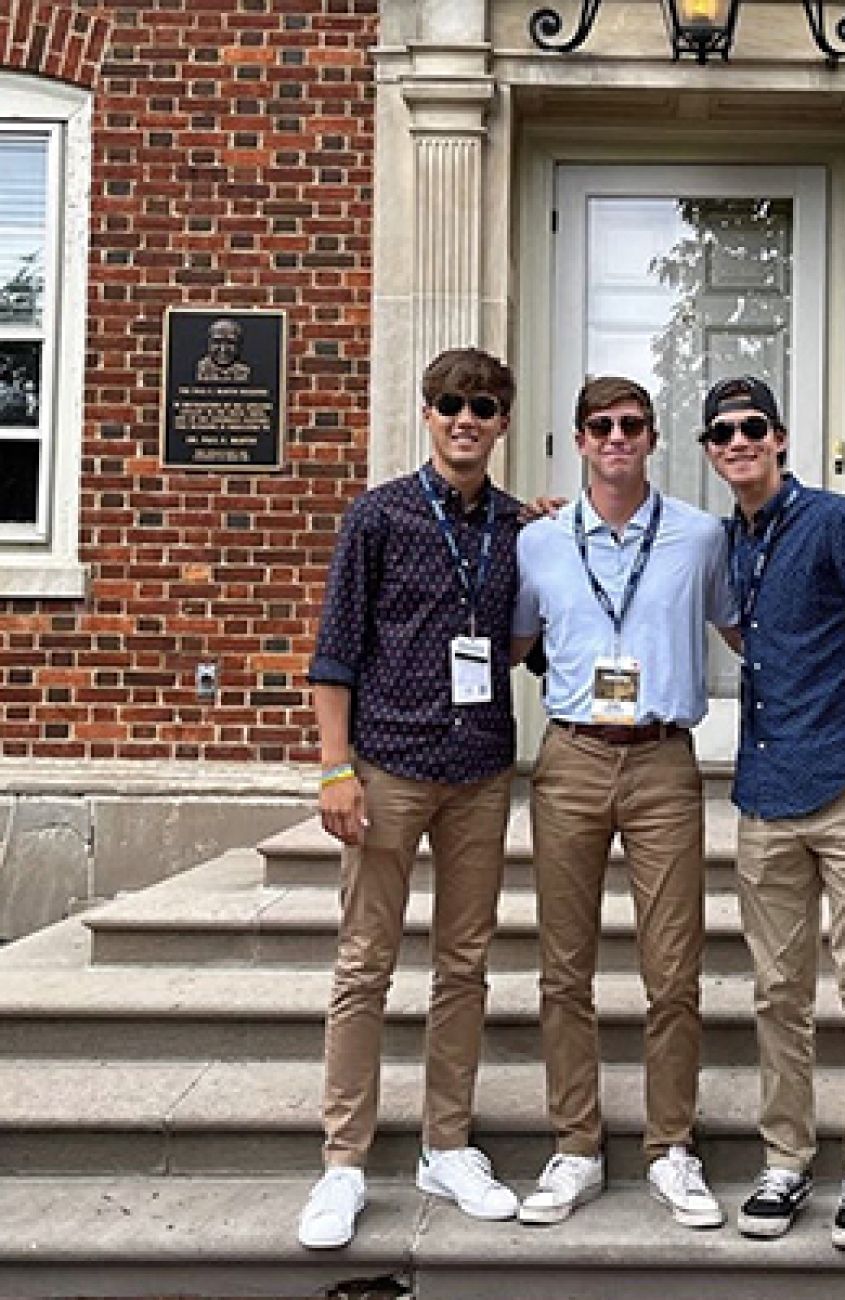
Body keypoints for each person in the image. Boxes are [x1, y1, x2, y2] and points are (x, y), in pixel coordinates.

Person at [698, 375, 845, 1252]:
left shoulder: (838, 523)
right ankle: (785, 1158)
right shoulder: (730, 542)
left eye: (753, 426)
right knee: (778, 994)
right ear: (711, 450)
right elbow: (743, 632)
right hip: (764, 798)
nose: (739, 441)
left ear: (782, 437)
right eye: (723, 432)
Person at [298, 347, 524, 1249]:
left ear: (504, 420)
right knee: (365, 965)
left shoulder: (517, 528)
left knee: (463, 966)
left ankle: (447, 1143)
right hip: (387, 765)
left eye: (482, 406)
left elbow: (521, 641)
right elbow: (334, 651)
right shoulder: (379, 515)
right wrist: (333, 767)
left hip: (479, 772)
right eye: (449, 404)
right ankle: (344, 1163)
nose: (465, 419)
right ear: (426, 414)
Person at [510, 375, 738, 1230]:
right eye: (600, 426)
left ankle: (670, 1147)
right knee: (563, 970)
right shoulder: (538, 542)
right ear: (578, 440)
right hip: (569, 758)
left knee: (673, 969)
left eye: (631, 425)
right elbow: (514, 642)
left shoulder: (700, 536)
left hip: (662, 765)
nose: (616, 438)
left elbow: (745, 631)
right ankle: (576, 1145)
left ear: (652, 438)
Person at [196, 317, 252, 382]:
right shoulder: (203, 369)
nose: (223, 349)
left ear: (239, 345)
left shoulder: (243, 371)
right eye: (217, 342)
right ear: (209, 344)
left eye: (230, 343)